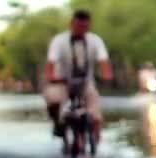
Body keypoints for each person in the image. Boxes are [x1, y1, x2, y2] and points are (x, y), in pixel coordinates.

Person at [44, 10, 113, 149]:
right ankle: (58, 123)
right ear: (71, 24)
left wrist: (107, 75)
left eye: (85, 27)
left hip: (86, 82)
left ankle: (95, 143)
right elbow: (50, 64)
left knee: (96, 115)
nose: (81, 29)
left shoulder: (95, 40)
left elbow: (104, 61)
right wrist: (52, 77)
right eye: (78, 26)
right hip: (62, 82)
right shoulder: (59, 40)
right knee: (52, 98)